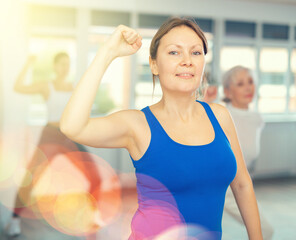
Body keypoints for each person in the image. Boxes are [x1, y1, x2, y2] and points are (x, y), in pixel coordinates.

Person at [60, 17, 263, 239]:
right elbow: (72, 126)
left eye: (196, 53)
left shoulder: (220, 116)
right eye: (174, 52)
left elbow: (242, 184)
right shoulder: (137, 125)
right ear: (154, 64)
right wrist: (107, 52)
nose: (187, 60)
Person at [6, 52, 101, 237]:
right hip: (50, 135)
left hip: (69, 135)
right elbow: (18, 87)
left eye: (67, 64)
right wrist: (28, 64)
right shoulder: (46, 86)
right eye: (61, 64)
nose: (64, 68)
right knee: (30, 178)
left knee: (92, 173)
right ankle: (14, 221)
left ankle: (93, 216)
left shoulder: (73, 87)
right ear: (55, 67)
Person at [222, 65, 274, 239]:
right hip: (216, 185)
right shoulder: (220, 113)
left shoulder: (257, 119)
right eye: (240, 83)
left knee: (265, 231)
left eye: (251, 82)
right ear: (228, 91)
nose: (248, 87)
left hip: (239, 187)